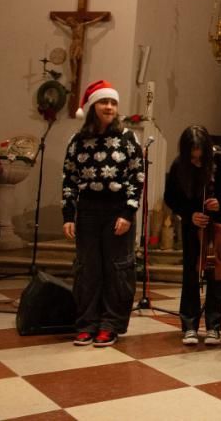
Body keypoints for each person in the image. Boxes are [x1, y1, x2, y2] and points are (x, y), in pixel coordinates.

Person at [62, 80, 144, 347]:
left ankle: (110, 324)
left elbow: (137, 176)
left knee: (117, 270)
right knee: (87, 269)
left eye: (113, 103)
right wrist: (68, 215)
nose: (109, 107)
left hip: (117, 211)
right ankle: (86, 323)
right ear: (91, 107)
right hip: (87, 211)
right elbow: (69, 178)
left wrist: (128, 213)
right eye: (104, 102)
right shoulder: (77, 140)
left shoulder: (127, 138)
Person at [164, 126, 221, 346]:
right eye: (192, 157)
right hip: (192, 226)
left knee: (217, 274)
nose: (196, 161)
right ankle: (190, 326)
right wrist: (189, 214)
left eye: (200, 157)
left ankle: (214, 326)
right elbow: (170, 197)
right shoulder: (179, 165)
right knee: (190, 274)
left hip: (218, 226)